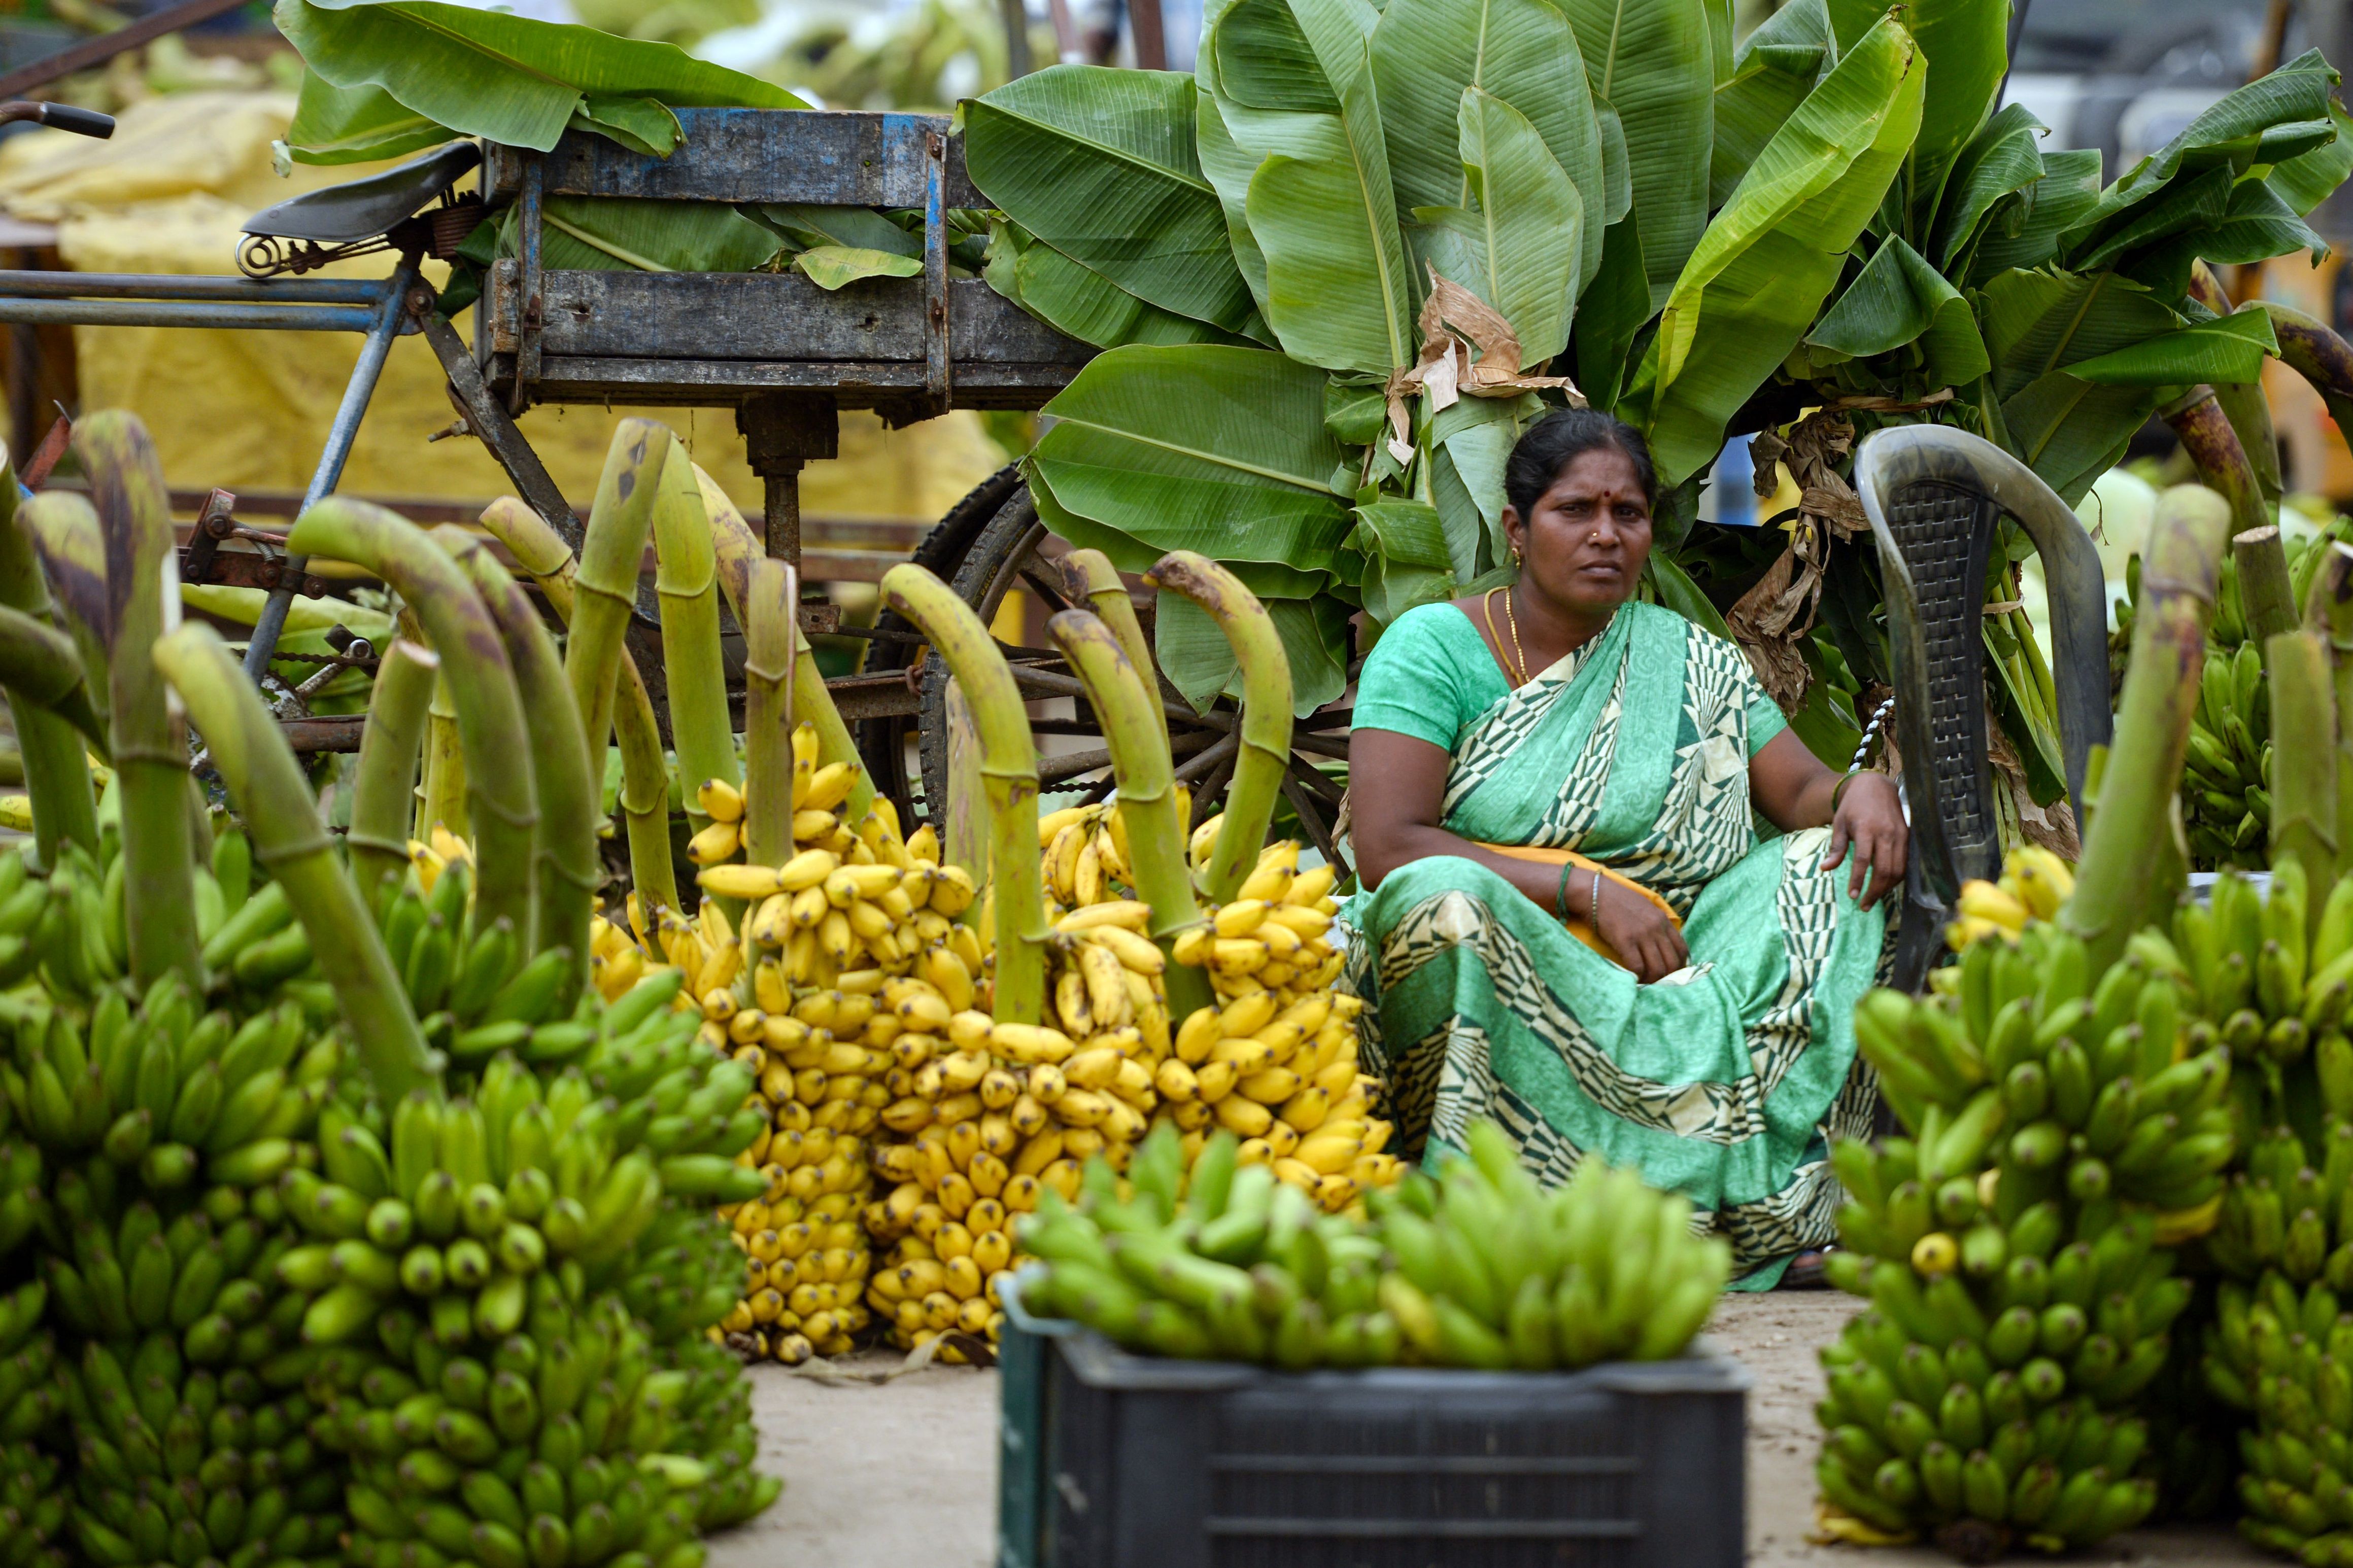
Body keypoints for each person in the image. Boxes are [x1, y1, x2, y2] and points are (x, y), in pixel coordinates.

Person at [1343, 408, 1908, 1288]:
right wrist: (1583, 890)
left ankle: (1751, 1210)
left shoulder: (1687, 657)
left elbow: (1798, 793)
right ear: (1517, 530)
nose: (1605, 535)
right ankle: (1504, 1220)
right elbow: (1387, 845)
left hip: (1679, 954)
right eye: (1575, 511)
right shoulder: (1434, 649)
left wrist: (1860, 789)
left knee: (1830, 869)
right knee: (1440, 897)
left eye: (1628, 514)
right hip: (1507, 946)